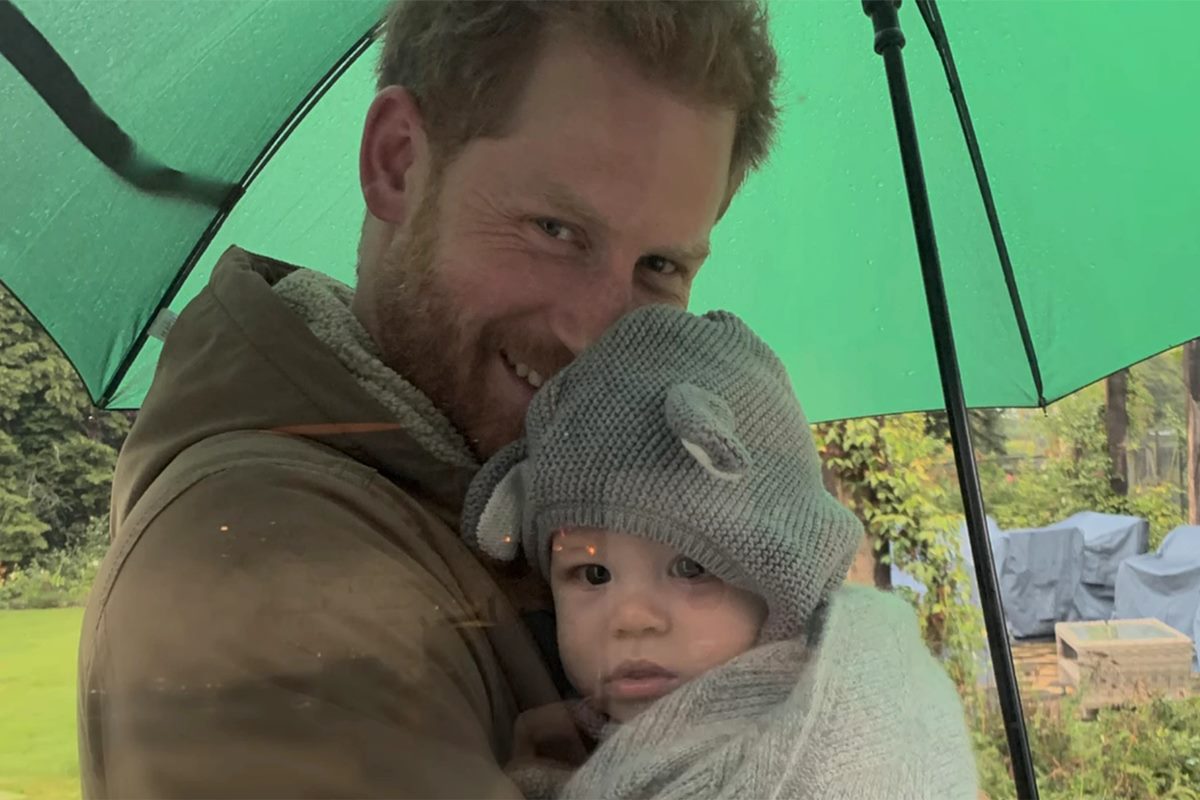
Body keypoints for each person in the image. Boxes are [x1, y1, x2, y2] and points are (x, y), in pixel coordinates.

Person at [77, 1, 782, 798]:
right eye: (555, 228)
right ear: (399, 163)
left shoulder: (534, 515)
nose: (598, 336)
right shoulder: (269, 569)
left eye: (658, 265)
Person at [461, 305, 980, 799]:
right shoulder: (581, 739)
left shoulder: (857, 726)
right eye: (593, 574)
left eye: (691, 567)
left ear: (783, 576)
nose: (632, 618)